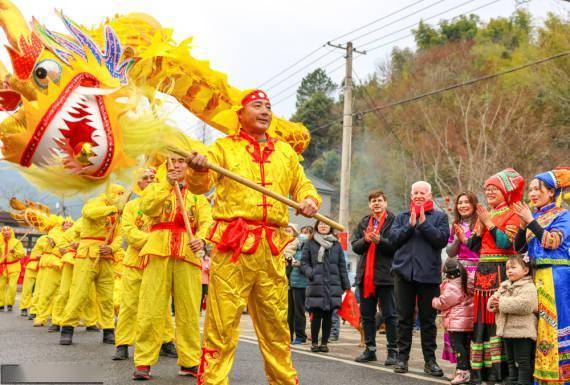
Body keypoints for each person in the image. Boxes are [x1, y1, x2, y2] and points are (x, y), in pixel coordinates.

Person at [186, 89, 320, 385]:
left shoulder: (285, 152)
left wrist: (310, 199)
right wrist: (195, 171)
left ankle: (284, 382)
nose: (265, 111)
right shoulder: (222, 148)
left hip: (272, 250)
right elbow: (199, 186)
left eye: (269, 107)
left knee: (276, 327)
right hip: (233, 248)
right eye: (257, 106)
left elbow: (302, 185)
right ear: (240, 114)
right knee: (221, 326)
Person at [133, 155, 212, 380]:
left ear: (188, 166)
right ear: (166, 165)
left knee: (189, 311)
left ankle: (190, 361)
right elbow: (146, 208)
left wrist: (202, 239)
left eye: (181, 161)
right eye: (173, 161)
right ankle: (143, 362)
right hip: (158, 251)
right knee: (151, 308)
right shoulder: (155, 188)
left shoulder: (199, 198)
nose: (177, 165)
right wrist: (167, 183)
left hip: (188, 254)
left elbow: (208, 222)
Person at [113, 168, 177, 362]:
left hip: (158, 260)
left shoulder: (166, 199)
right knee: (129, 304)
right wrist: (154, 239)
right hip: (135, 262)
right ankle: (123, 343)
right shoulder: (131, 206)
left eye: (152, 177)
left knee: (163, 304)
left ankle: (166, 341)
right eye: (145, 178)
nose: (149, 180)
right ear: (137, 183)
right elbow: (129, 231)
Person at [512, 168, 570, 385]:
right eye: (531, 189)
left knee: (554, 326)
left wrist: (530, 221)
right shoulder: (533, 216)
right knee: (539, 328)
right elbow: (519, 248)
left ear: (551, 192)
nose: (532, 193)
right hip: (537, 275)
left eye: (538, 189)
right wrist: (522, 225)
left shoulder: (563, 215)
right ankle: (542, 375)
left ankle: (559, 377)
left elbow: (552, 242)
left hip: (556, 277)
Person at [467, 168, 524, 384]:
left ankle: (498, 371)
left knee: (496, 317)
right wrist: (477, 228)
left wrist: (488, 222)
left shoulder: (513, 213)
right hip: (483, 270)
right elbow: (473, 247)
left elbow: (505, 243)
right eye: (486, 189)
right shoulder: (485, 214)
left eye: (493, 189)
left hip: (501, 269)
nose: (489, 192)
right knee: (481, 319)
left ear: (504, 191)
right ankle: (479, 371)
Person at [388, 181, 450, 376]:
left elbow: (441, 240)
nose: (419, 195)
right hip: (403, 274)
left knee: (428, 320)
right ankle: (402, 358)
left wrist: (423, 224)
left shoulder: (440, 217)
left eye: (423, 192)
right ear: (411, 195)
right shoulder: (401, 217)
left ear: (430, 196)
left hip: (429, 276)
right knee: (403, 319)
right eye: (416, 192)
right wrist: (410, 225)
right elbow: (393, 240)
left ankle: (430, 361)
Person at [59, 184, 126, 345]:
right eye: (119, 194)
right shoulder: (96, 203)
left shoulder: (118, 215)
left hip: (106, 257)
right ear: (110, 194)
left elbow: (119, 236)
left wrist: (111, 247)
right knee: (79, 292)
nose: (121, 197)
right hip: (87, 255)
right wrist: (111, 210)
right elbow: (89, 213)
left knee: (106, 297)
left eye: (123, 195)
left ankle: (108, 329)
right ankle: (67, 327)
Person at [351, 189, 398, 366]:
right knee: (367, 316)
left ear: (385, 203)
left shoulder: (394, 221)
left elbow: (396, 246)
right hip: (365, 276)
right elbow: (355, 246)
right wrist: (366, 241)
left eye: (379, 200)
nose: (376, 203)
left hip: (386, 276)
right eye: (373, 201)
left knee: (391, 315)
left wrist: (380, 241)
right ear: (370, 205)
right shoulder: (364, 222)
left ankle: (393, 352)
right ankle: (370, 350)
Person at [487, 254, 537, 385]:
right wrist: (493, 303)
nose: (509, 270)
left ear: (525, 270)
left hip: (523, 332)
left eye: (513, 267)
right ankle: (513, 379)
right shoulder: (504, 285)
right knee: (510, 359)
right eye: (507, 268)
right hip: (507, 331)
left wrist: (501, 303)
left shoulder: (528, 286)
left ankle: (523, 381)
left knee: (522, 359)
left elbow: (526, 305)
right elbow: (493, 299)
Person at [302, 219, 350, 353]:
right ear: (317, 226)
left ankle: (324, 343)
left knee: (329, 316)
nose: (323, 226)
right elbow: (304, 262)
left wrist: (346, 284)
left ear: (331, 227)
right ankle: (315, 343)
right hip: (316, 284)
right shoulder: (310, 243)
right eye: (321, 224)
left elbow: (342, 266)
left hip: (333, 285)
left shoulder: (336, 245)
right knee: (316, 315)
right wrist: (311, 273)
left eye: (326, 224)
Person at [442, 192, 479, 365]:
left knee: (474, 319)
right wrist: (458, 239)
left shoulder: (481, 223)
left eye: (467, 202)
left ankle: (478, 364)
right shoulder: (455, 225)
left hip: (478, 272)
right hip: (459, 274)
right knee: (457, 318)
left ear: (474, 204)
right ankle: (462, 364)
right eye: (460, 202)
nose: (463, 205)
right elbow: (450, 252)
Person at [50, 217, 99, 333]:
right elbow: (61, 244)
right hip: (72, 261)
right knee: (64, 292)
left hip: (89, 262)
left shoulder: (98, 228)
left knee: (89, 294)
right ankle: (56, 321)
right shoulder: (73, 230)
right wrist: (71, 247)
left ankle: (90, 322)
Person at [432, 258, 474, 385]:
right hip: (467, 321)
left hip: (456, 322)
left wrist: (434, 301)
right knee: (465, 346)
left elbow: (444, 302)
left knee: (458, 347)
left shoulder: (452, 286)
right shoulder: (467, 281)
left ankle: (463, 371)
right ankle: (464, 370)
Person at [34, 218, 73, 328]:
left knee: (64, 294)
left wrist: (71, 249)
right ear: (62, 224)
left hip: (68, 264)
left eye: (71, 224)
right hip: (54, 263)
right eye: (66, 224)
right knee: (47, 292)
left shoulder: (75, 233)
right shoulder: (54, 231)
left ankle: (59, 319)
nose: (68, 226)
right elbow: (53, 242)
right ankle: (41, 317)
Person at [285, 224, 308, 345]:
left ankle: (300, 336)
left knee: (299, 311)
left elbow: (307, 262)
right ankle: (288, 335)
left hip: (300, 282)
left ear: (295, 232)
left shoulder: (302, 243)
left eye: (290, 231)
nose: (288, 233)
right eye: (286, 231)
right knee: (288, 311)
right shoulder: (283, 245)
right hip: (286, 282)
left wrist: (297, 263)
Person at [19, 233, 45, 316]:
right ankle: (24, 307)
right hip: (32, 266)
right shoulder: (43, 238)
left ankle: (35, 309)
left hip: (44, 267)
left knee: (40, 290)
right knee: (27, 289)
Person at [0, 226, 25, 312]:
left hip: (14, 267)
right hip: (2, 267)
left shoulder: (17, 242)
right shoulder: (0, 243)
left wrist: (15, 252)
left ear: (11, 232)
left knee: (12, 287)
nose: (6, 232)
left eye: (8, 230)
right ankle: (1, 304)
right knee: (0, 286)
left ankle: (10, 303)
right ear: (2, 232)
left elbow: (22, 254)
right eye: (4, 230)